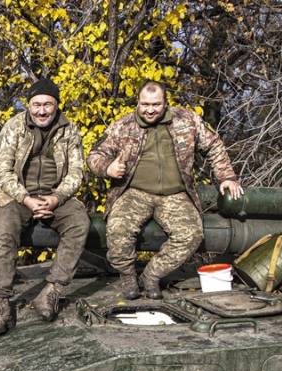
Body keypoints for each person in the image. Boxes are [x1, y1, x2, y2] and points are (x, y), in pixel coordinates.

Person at [87, 81, 242, 299]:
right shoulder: (123, 126)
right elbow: (95, 156)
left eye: (156, 104)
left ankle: (151, 275)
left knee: (191, 234)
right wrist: (108, 168)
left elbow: (214, 145)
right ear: (138, 103)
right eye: (145, 104)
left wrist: (226, 177)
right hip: (134, 192)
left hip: (175, 194)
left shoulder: (187, 120)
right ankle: (128, 277)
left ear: (165, 103)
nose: (150, 110)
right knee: (118, 230)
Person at [0, 77, 90, 336]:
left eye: (47, 104)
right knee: (4, 230)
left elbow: (77, 171)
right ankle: (1, 302)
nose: (41, 110)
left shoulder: (69, 130)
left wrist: (57, 198)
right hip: (18, 195)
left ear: (56, 105)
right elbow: (1, 169)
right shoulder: (14, 127)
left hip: (55, 195)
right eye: (36, 104)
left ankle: (52, 291)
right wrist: (26, 199)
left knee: (80, 224)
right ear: (29, 105)